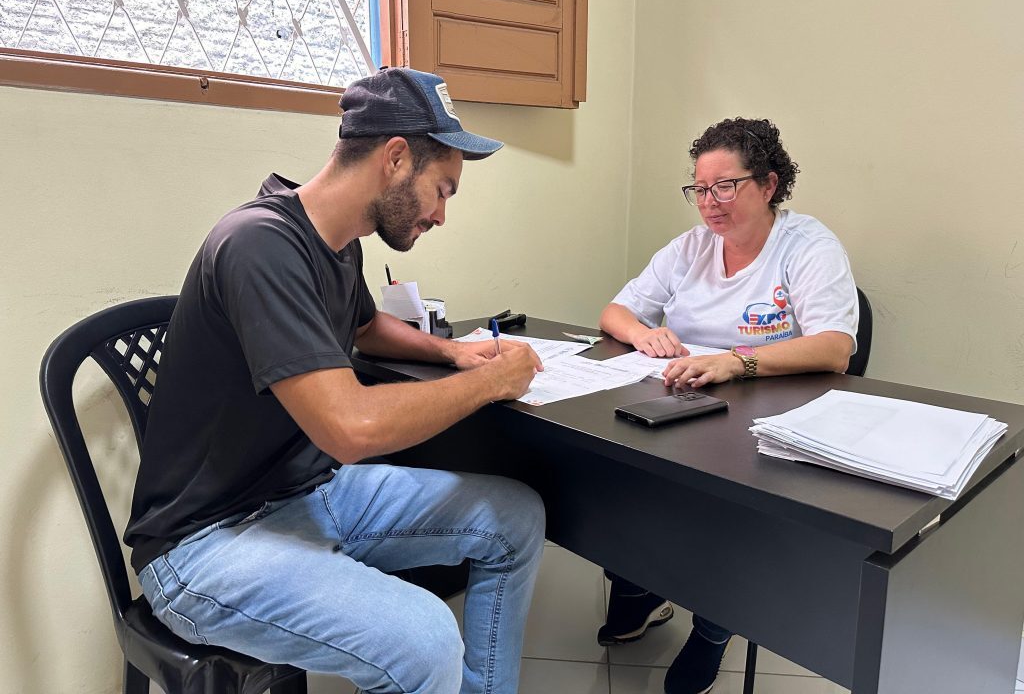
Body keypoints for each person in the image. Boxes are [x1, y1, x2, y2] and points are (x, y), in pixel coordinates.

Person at [124, 67, 547, 694]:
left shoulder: (339, 239)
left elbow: (367, 327)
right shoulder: (258, 243)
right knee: (425, 638)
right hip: (205, 544)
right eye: (443, 189)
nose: (441, 214)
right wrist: (492, 382)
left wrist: (452, 354)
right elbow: (352, 427)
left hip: (304, 494)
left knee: (513, 518)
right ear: (396, 158)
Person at [597, 117, 858, 694]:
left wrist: (737, 361)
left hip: (770, 414)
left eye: (725, 187)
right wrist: (647, 336)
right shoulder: (691, 247)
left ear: (767, 185)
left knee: (723, 513)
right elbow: (615, 312)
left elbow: (836, 348)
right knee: (613, 474)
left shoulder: (807, 245)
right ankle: (640, 589)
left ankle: (714, 628)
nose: (709, 204)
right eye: (699, 189)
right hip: (687, 402)